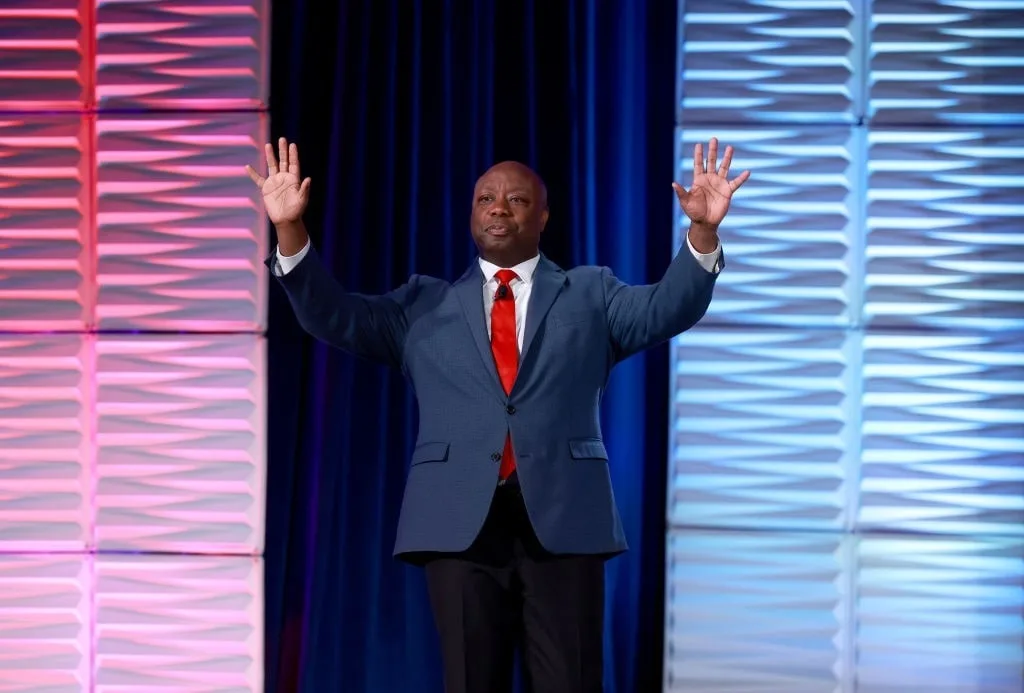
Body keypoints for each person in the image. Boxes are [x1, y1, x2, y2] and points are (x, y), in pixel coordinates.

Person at [246, 137, 749, 693]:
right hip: (459, 524)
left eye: (517, 199)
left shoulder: (591, 293)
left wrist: (702, 232)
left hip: (563, 519)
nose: (499, 209)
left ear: (543, 216)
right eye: (486, 199)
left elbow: (667, 307)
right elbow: (332, 315)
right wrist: (289, 230)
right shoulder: (422, 305)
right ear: (471, 213)